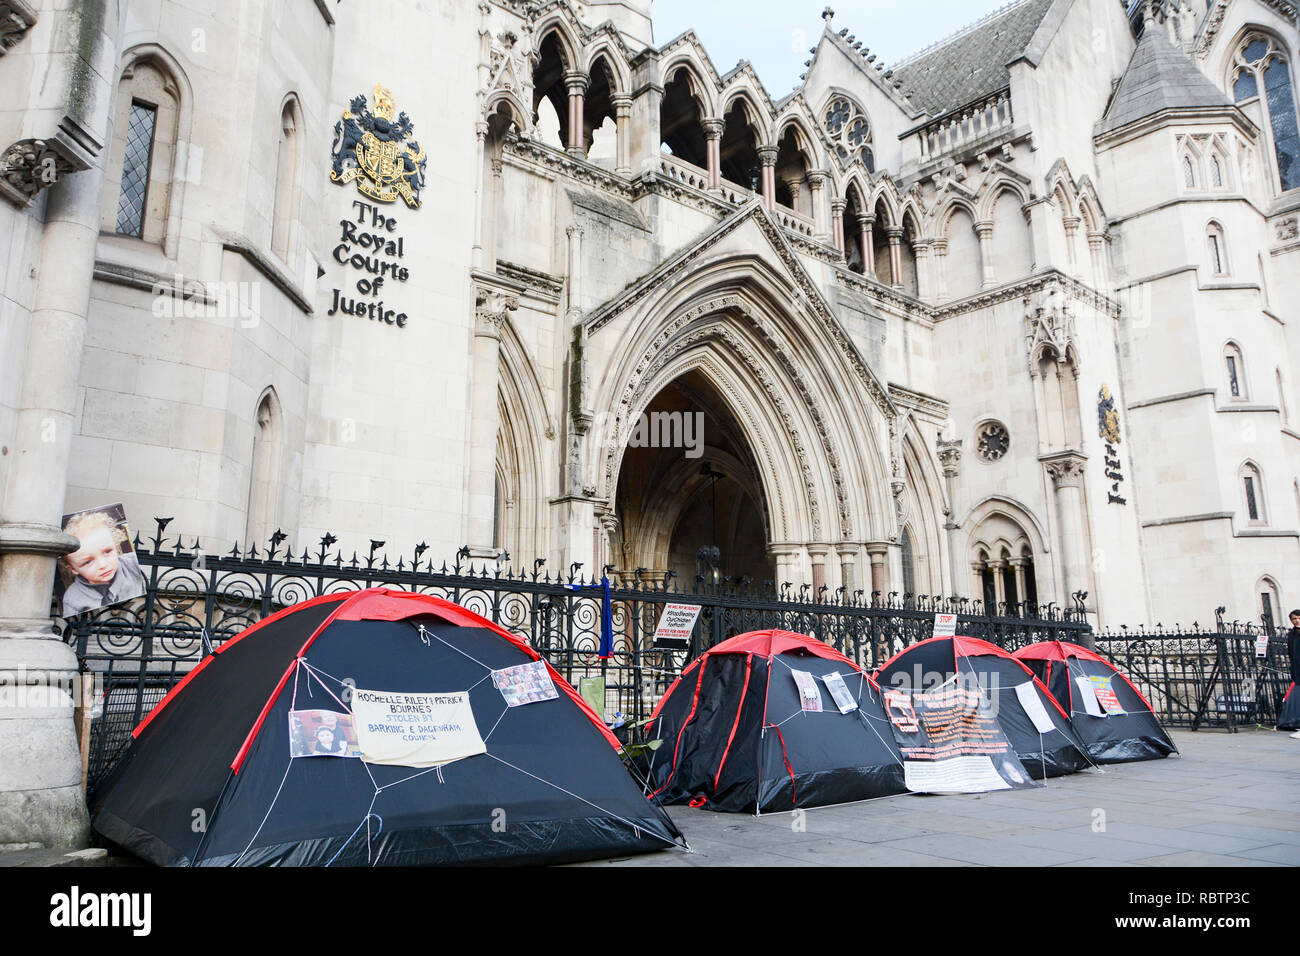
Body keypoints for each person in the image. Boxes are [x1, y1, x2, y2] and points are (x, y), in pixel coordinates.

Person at [58, 510, 146, 617]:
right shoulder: (72, 598)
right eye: (88, 562)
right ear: (73, 569)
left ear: (116, 545)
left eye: (108, 551)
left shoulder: (131, 564)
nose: (102, 565)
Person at [1288, 611, 1300, 739]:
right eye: (1294, 618)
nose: (1297, 621)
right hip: (1297, 671)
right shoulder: (1291, 635)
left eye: (1299, 618)